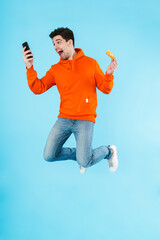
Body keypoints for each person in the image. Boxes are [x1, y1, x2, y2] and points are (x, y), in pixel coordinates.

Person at [22, 27, 118, 174]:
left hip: (85, 119)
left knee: (85, 161)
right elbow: (38, 88)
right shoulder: (55, 69)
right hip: (64, 119)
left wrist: (109, 74)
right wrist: (29, 67)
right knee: (49, 155)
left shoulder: (90, 63)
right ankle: (81, 155)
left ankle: (109, 151)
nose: (55, 47)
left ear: (70, 42)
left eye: (58, 42)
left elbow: (105, 89)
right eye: (53, 44)